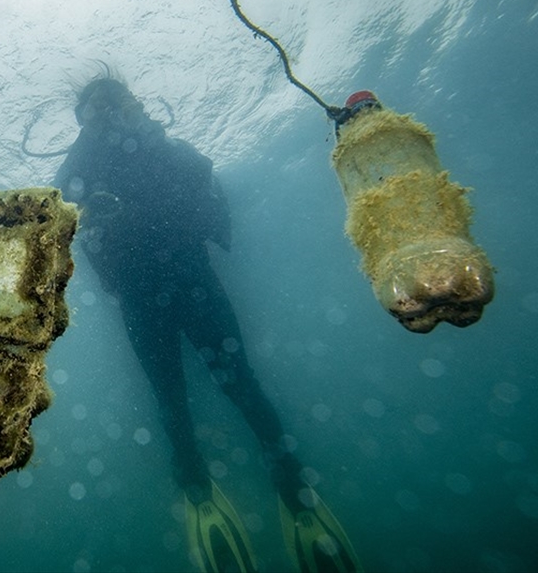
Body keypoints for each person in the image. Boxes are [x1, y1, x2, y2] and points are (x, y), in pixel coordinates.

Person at [53, 76, 361, 573]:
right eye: (94, 111)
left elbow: (203, 185)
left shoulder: (162, 147)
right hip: (144, 298)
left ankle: (290, 486)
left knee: (239, 385)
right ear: (83, 121)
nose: (108, 117)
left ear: (132, 104)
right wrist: (90, 201)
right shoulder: (80, 168)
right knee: (172, 399)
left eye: (116, 104)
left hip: (193, 282)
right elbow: (56, 213)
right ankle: (199, 490)